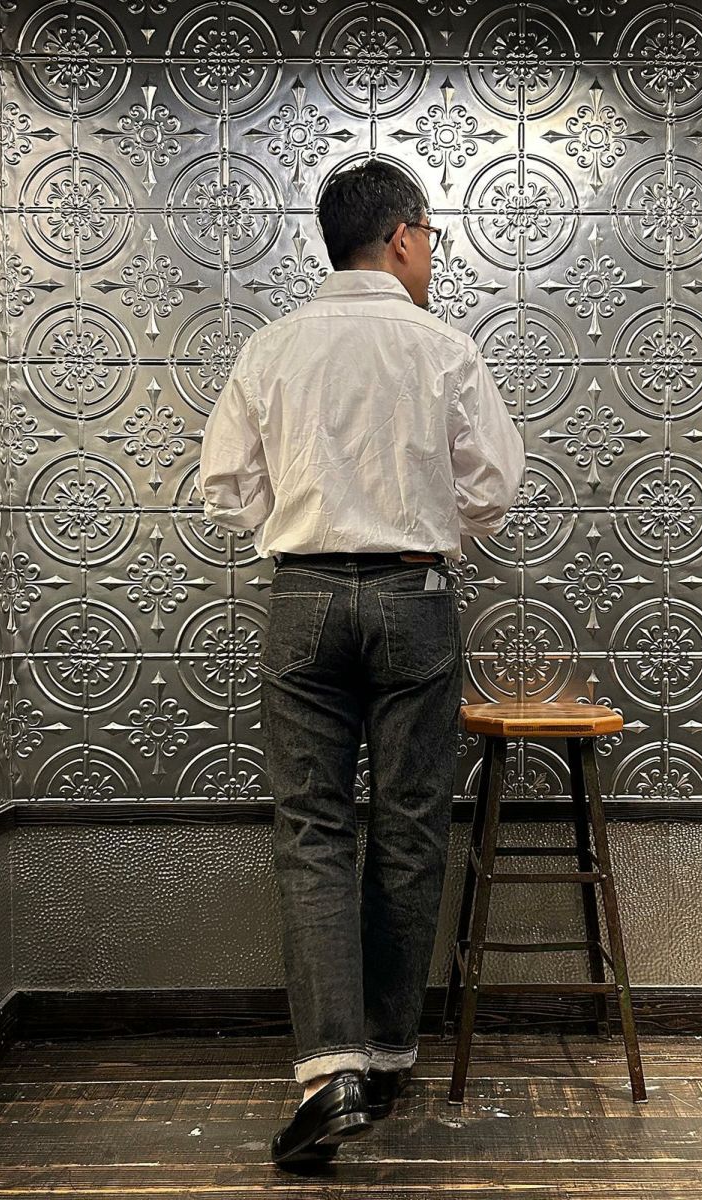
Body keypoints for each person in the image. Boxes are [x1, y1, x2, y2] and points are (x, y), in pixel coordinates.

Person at [199, 158, 525, 1168]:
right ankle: (386, 1057)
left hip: (301, 596)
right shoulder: (444, 347)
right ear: (401, 237)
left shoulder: (272, 347)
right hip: (414, 596)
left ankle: (329, 1071)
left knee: (313, 831)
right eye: (430, 239)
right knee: (411, 825)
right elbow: (494, 487)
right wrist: (416, 522)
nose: (431, 256)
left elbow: (224, 488)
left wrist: (304, 524)